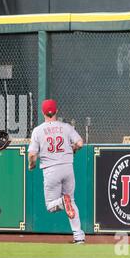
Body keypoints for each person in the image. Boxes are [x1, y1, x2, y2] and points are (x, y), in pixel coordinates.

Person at [28, 99, 85, 244]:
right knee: (71, 201)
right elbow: (80, 143)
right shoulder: (66, 127)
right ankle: (79, 237)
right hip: (67, 167)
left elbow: (32, 155)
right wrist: (73, 149)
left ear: (43, 112)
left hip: (51, 170)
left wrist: (31, 165)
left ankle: (62, 202)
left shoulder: (38, 130)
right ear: (56, 111)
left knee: (51, 206)